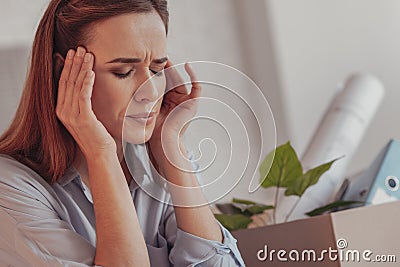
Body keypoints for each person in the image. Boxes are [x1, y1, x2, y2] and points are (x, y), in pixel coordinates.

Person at [0, 0, 245, 266]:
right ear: (63, 72)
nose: (150, 92)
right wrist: (101, 154)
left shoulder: (160, 163)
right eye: (123, 72)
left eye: (156, 69)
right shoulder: (11, 188)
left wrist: (171, 145)